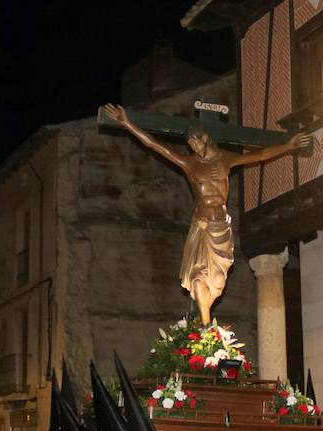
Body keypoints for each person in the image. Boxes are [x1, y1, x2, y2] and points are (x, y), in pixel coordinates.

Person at [104, 103, 310, 324]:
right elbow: (156, 146)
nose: (193, 147)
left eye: (196, 141)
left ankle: (206, 327)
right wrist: (127, 124)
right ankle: (205, 325)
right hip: (202, 226)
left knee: (218, 280)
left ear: (206, 138)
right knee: (199, 279)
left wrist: (288, 146)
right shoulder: (189, 163)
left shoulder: (225, 159)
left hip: (220, 227)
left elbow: (259, 155)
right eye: (190, 143)